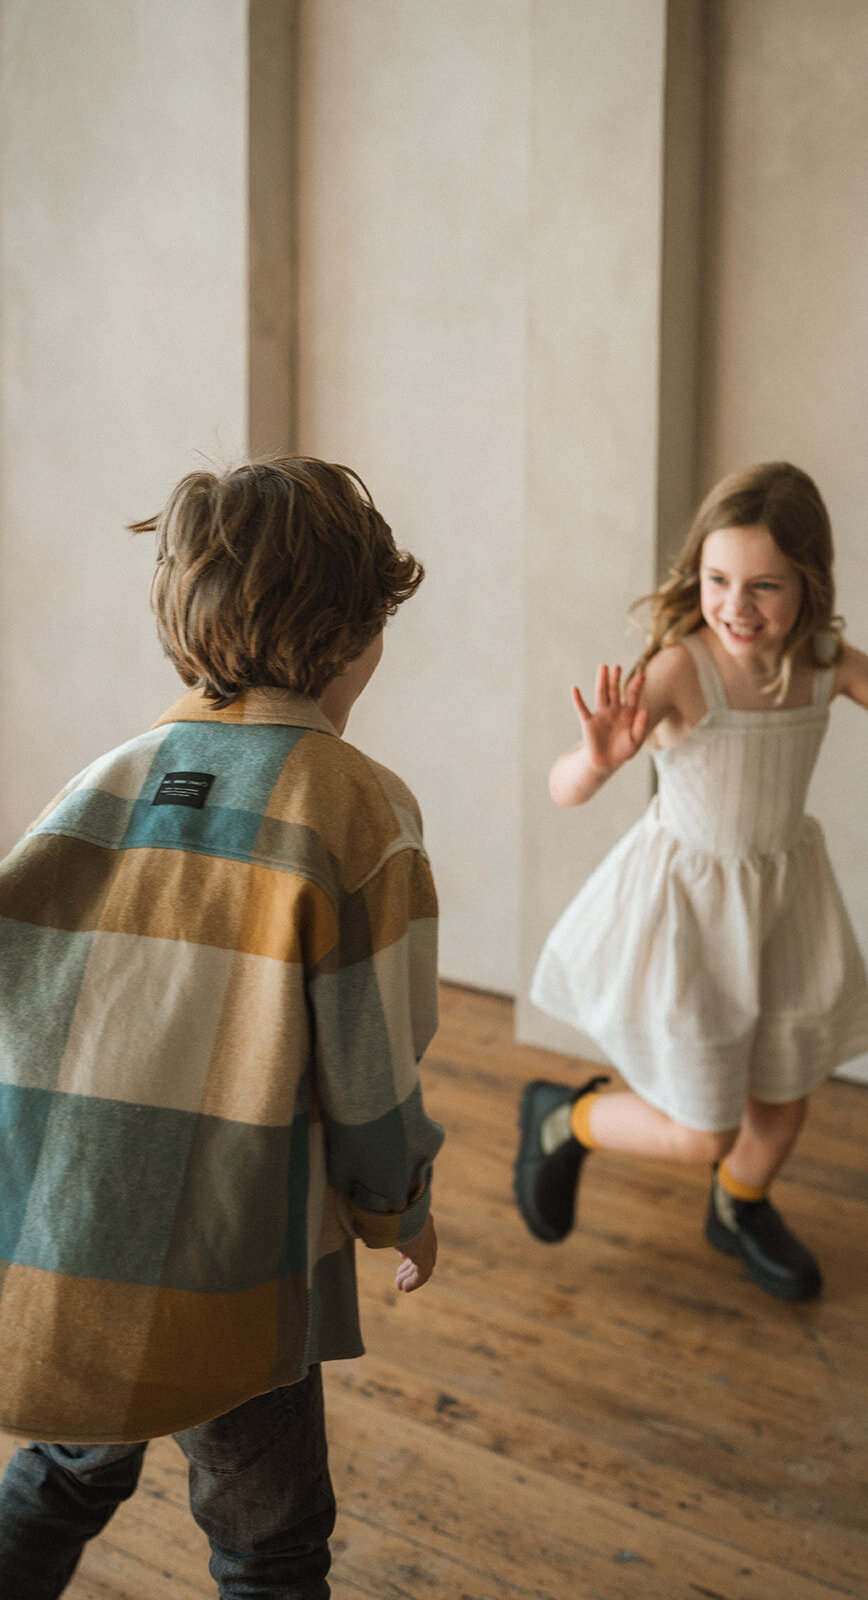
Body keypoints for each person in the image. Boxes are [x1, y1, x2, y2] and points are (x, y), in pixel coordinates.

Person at [0, 457, 444, 1598]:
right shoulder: (359, 808)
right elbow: (373, 1065)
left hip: (67, 1255)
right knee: (271, 1541)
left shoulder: (97, 782)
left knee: (63, 1471)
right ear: (353, 635)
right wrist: (399, 1208)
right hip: (230, 1271)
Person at [516, 461, 868, 1303]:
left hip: (782, 904)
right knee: (705, 1130)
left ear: (809, 584)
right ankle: (564, 1118)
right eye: (718, 580)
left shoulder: (825, 663)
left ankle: (738, 1210)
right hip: (690, 914)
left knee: (782, 1103)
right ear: (698, 575)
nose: (737, 607)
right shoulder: (682, 670)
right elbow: (564, 788)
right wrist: (593, 763)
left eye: (765, 586)